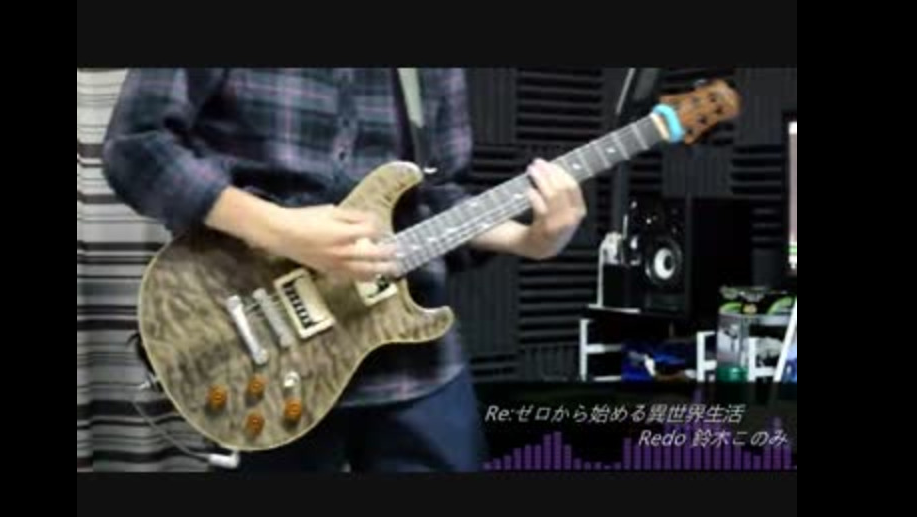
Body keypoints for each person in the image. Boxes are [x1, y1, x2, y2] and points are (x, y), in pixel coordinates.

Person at [103, 68, 586, 472]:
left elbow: (438, 198)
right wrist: (280, 229)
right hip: (264, 358)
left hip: (413, 365)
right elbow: (136, 149)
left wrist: (528, 241)